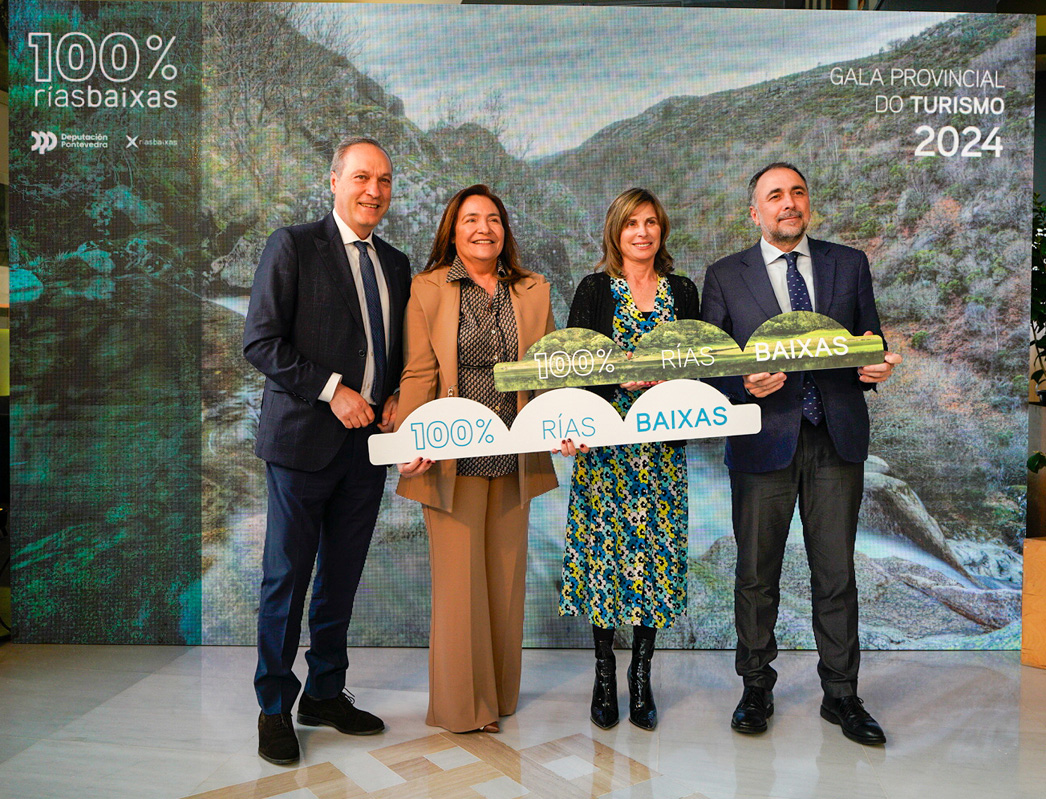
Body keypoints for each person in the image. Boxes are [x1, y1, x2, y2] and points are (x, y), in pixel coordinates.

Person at [700, 162, 902, 745]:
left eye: (797, 192)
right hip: (762, 439)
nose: (788, 202)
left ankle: (842, 695)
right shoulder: (725, 275)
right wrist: (743, 384)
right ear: (755, 212)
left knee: (836, 574)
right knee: (755, 575)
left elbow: (870, 341)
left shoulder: (849, 263)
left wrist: (874, 368)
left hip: (836, 439)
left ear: (807, 203)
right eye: (775, 195)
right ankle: (755, 688)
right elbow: (710, 366)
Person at [243, 137, 411, 765]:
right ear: (335, 181)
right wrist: (332, 390)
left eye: (384, 180)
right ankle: (273, 706)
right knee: (286, 579)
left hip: (367, 449)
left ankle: (323, 693)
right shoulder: (292, 245)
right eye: (362, 177)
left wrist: (396, 396)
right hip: (302, 443)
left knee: (341, 578)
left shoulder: (395, 263)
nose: (374, 190)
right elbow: (261, 341)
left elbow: (394, 351)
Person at [395, 184, 558, 734]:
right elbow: (419, 372)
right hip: (451, 457)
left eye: (493, 219)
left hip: (515, 455)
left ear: (505, 230)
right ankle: (465, 708)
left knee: (505, 583)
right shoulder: (428, 288)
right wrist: (409, 439)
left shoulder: (533, 289)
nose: (483, 228)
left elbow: (548, 371)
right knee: (460, 586)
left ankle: (500, 698)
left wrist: (564, 423)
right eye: (470, 219)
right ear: (453, 230)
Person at [558, 188, 699, 731]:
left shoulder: (682, 291)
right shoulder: (594, 289)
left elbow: (699, 365)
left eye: (651, 222)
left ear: (661, 230)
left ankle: (641, 678)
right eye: (631, 223)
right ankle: (603, 675)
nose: (642, 232)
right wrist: (613, 384)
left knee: (654, 560)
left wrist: (670, 383)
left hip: (660, 452)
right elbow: (572, 368)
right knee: (603, 559)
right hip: (605, 449)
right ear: (615, 232)